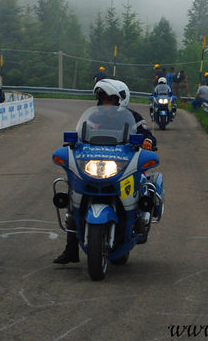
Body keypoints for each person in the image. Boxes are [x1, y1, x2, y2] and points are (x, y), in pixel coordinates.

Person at [54, 79, 157, 264]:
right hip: (96, 162)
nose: (106, 102)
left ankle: (141, 217)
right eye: (103, 98)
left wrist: (148, 141)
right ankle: (71, 249)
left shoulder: (133, 117)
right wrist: (72, 144)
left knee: (142, 183)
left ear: (121, 99)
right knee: (73, 197)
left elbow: (148, 136)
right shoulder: (93, 117)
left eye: (110, 98)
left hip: (123, 164)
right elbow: (81, 134)